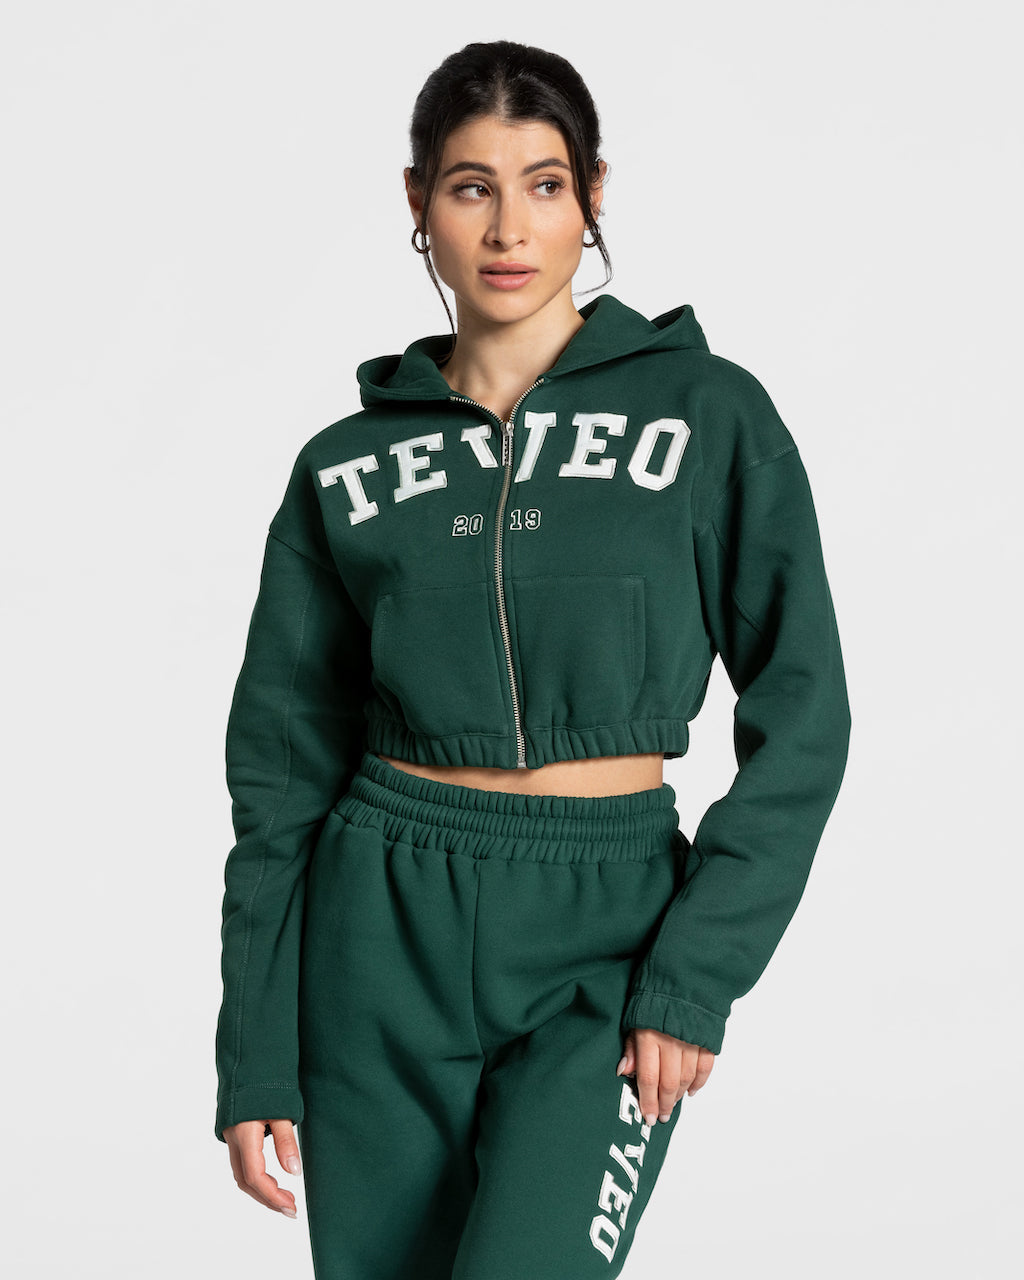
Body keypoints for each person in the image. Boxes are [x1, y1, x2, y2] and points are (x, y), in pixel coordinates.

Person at [214, 39, 851, 1280]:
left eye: (545, 184)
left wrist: (695, 971)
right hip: (379, 927)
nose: (509, 228)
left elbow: (805, 710)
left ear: (591, 195)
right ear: (419, 202)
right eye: (471, 187)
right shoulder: (347, 465)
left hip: (606, 927)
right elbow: (280, 774)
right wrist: (255, 1049)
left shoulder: (706, 416)